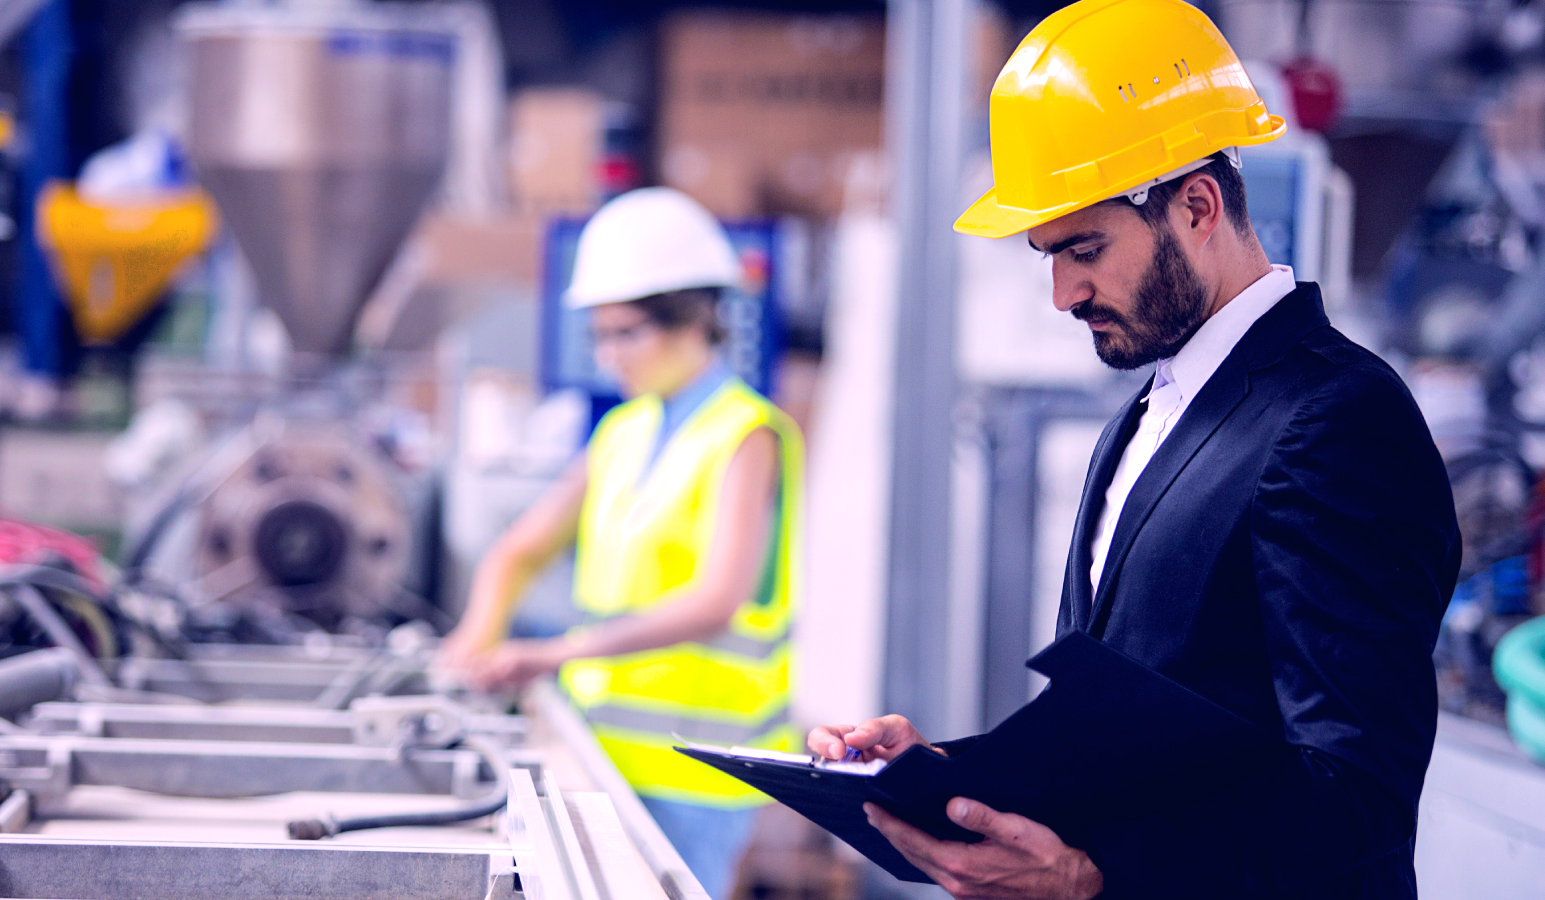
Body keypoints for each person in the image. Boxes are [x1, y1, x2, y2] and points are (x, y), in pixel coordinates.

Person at [808, 1, 1460, 898]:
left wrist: (1090, 877)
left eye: (1084, 248)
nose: (1063, 292)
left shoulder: (1336, 418)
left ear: (1196, 205)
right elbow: (1132, 737)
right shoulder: (1148, 418)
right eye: (1047, 255)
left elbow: (1357, 803)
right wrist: (949, 775)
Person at [438, 187, 802, 899]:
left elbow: (716, 601)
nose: (609, 357)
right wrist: (473, 642)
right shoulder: (623, 433)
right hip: (604, 755)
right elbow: (519, 549)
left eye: (627, 333)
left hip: (702, 773)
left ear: (695, 319)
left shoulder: (747, 434)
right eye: (600, 335)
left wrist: (549, 653)